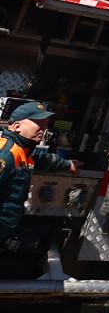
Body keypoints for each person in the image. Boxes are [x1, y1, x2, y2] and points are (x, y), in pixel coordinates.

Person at [0, 101, 77, 250]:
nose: (44, 128)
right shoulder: (6, 154)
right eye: (39, 123)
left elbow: (42, 158)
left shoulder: (23, 150)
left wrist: (68, 164)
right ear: (17, 126)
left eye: (46, 123)